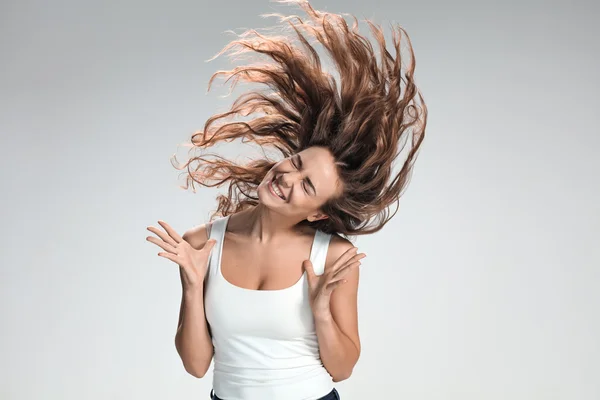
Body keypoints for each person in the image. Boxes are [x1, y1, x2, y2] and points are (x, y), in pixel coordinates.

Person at [146, 1, 427, 399]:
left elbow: (342, 369)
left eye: (307, 185)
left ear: (317, 212)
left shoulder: (333, 258)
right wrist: (194, 287)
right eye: (295, 163)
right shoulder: (201, 245)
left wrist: (322, 311)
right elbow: (196, 366)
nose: (286, 177)